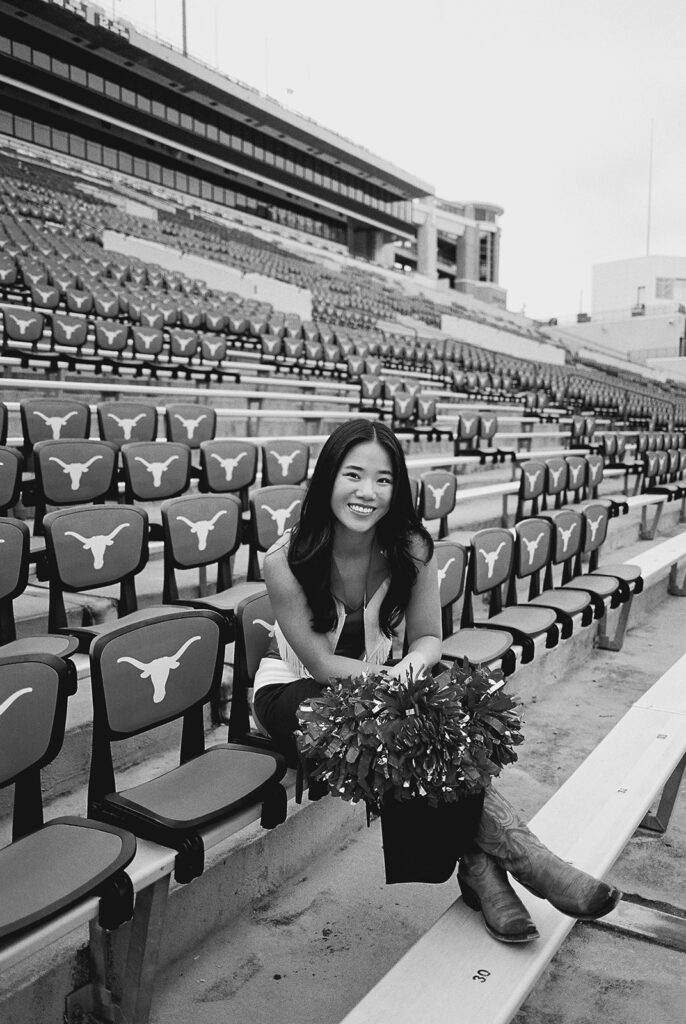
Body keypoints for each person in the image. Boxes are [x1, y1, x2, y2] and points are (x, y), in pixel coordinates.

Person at [252, 418, 621, 944]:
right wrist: (400, 688)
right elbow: (320, 665)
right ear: (328, 476)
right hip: (296, 691)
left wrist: (411, 671)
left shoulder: (411, 548)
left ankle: (484, 867)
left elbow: (428, 638)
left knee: (443, 713)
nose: (367, 492)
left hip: (379, 684)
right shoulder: (285, 558)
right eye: (353, 475)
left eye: (383, 480)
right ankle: (523, 860)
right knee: (401, 724)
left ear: (397, 488)